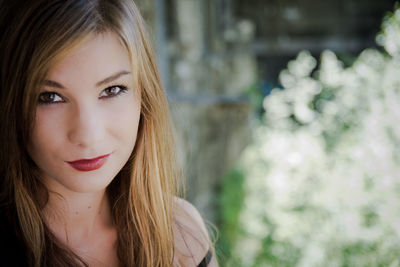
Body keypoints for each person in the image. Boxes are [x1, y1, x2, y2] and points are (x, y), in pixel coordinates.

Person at [0, 0, 218, 266]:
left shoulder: (181, 234)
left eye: (112, 90)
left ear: (144, 95)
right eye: (50, 97)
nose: (88, 135)